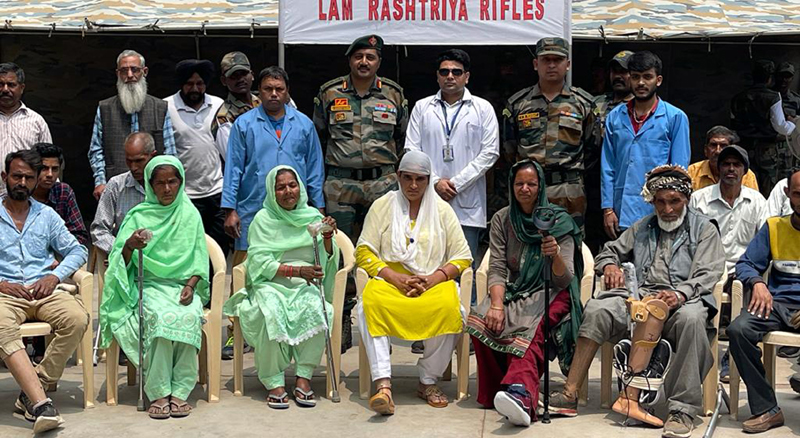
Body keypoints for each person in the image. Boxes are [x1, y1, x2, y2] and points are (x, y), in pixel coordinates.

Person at [549, 165, 725, 438]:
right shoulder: (643, 227)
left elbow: (708, 273)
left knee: (692, 320)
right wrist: (609, 266)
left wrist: (679, 294)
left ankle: (682, 409)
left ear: (686, 200)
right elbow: (609, 251)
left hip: (683, 299)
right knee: (598, 308)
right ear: (653, 202)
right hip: (641, 295)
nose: (667, 209)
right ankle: (570, 393)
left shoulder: (704, 229)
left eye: (674, 201)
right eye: (661, 202)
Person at [466, 160, 582, 427]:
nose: (525, 189)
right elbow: (496, 266)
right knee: (481, 319)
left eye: (531, 183)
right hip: (516, 289)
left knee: (531, 330)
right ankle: (497, 390)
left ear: (540, 186)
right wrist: (496, 304)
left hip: (552, 290)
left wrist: (554, 256)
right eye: (520, 183)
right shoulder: (502, 219)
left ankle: (521, 393)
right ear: (511, 186)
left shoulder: (558, 220)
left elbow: (564, 279)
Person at [355, 151, 472, 415]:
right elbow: (363, 251)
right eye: (407, 178)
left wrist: (433, 279)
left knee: (453, 310)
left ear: (429, 180)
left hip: (431, 281)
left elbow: (463, 256)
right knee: (368, 305)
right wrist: (394, 277)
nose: (413, 185)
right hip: (390, 281)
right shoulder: (383, 205)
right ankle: (383, 384)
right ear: (398, 177)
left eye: (420, 179)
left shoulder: (442, 210)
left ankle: (428, 381)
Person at [314, 34, 408, 353]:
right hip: (341, 184)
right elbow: (320, 135)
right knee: (340, 254)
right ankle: (341, 321)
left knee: (382, 253)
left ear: (378, 61)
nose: (364, 62)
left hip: (383, 184)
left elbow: (402, 137)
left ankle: (379, 322)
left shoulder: (394, 94)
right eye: (358, 56)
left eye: (370, 57)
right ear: (350, 60)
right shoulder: (329, 92)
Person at [98, 156, 209, 419]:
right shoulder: (139, 216)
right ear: (150, 185)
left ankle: (181, 390)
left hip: (182, 287)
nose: (167, 189)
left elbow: (199, 260)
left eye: (172, 182)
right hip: (147, 286)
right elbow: (118, 262)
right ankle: (159, 391)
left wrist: (192, 286)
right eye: (160, 183)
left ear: (181, 182)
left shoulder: (190, 213)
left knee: (189, 316)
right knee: (160, 319)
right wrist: (129, 245)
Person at [224, 166, 339, 409]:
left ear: (300, 187)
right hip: (270, 284)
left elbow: (325, 261)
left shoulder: (313, 218)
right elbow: (258, 263)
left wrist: (327, 238)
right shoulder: (263, 220)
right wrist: (296, 270)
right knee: (271, 312)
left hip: (305, 285)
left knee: (319, 308)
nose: (288, 191)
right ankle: (273, 380)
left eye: (292, 185)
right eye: (281, 187)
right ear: (271, 191)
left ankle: (303, 377)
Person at [0, 150, 89, 433]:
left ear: (37, 179)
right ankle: (41, 404)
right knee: (1, 325)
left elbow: (78, 249)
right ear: (5, 177)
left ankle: (31, 388)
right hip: (6, 293)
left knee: (77, 318)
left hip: (43, 290)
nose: (22, 182)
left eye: (28, 177)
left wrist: (55, 275)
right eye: (17, 176)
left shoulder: (46, 215)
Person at [404, 48, 499, 305]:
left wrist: (455, 183)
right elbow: (412, 150)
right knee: (426, 263)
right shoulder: (422, 107)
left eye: (456, 72)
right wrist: (435, 181)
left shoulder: (483, 108)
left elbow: (490, 153)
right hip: (429, 198)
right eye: (444, 71)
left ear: (466, 77)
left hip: (466, 201)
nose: (450, 76)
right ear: (437, 76)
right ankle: (427, 329)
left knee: (464, 266)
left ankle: (468, 331)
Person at [223, 66, 325, 267]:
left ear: (287, 91)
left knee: (291, 260)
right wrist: (229, 210)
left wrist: (319, 207)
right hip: (253, 205)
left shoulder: (304, 124)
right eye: (268, 89)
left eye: (279, 89)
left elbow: (314, 169)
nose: (274, 94)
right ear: (259, 92)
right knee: (244, 266)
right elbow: (233, 169)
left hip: (293, 209)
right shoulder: (243, 124)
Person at [727, 168, 800, 434]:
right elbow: (746, 263)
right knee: (738, 330)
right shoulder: (774, 227)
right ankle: (767, 408)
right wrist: (757, 283)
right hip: (776, 305)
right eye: (798, 194)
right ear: (788, 195)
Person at [689, 145, 768, 381]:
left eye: (736, 165)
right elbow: (690, 239)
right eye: (726, 164)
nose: (731, 169)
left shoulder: (756, 201)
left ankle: (730, 360)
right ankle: (699, 360)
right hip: (706, 267)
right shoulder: (699, 199)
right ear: (718, 167)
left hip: (742, 269)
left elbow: (765, 241)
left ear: (744, 171)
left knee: (750, 293)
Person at [503, 37, 595, 231]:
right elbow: (509, 149)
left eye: (557, 60)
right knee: (528, 245)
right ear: (536, 64)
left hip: (569, 189)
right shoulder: (518, 104)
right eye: (546, 60)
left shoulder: (583, 103)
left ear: (567, 64)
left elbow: (592, 147)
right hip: (529, 188)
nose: (552, 65)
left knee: (570, 246)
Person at [601, 51, 691, 239]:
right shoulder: (615, 117)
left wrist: (673, 208)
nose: (641, 83)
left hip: (659, 210)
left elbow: (679, 171)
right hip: (621, 209)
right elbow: (608, 166)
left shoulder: (675, 117)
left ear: (658, 80)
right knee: (624, 265)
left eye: (647, 77)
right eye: (635, 77)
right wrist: (608, 209)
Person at [88, 49, 176, 201]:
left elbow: (170, 153)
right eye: (124, 71)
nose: (129, 75)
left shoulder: (160, 108)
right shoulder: (105, 108)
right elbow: (96, 150)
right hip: (116, 188)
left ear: (144, 71)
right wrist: (100, 181)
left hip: (155, 189)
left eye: (134, 69)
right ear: (118, 74)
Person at [164, 59, 227, 253]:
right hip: (186, 195)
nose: (195, 88)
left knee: (219, 249)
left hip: (217, 191)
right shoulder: (166, 106)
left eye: (199, 83)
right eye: (189, 83)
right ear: (181, 84)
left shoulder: (218, 104)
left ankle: (215, 284)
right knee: (190, 249)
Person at [731, 59, 796, 196]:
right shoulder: (772, 97)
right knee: (768, 187)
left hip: (745, 147)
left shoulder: (738, 98)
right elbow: (780, 126)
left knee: (745, 183)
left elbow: (734, 125)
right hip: (767, 149)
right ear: (770, 78)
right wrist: (792, 125)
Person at [90, 132, 155, 258]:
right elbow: (99, 230)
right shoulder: (116, 185)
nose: (133, 167)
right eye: (129, 161)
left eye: (139, 161)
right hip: (124, 259)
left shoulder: (165, 187)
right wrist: (122, 249)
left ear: (152, 156)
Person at [0, 63, 52, 197]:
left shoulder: (36, 121)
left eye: (11, 85)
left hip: (27, 198)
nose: (5, 89)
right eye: (1, 84)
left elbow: (49, 161)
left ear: (21, 88)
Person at [32, 143, 90, 247]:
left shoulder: (63, 192)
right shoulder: (21, 193)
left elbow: (79, 234)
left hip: (59, 254)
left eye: (54, 169)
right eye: (44, 168)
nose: (50, 174)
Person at [212, 52, 261, 162]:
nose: (240, 79)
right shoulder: (224, 118)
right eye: (234, 76)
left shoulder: (264, 102)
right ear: (224, 81)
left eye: (244, 73)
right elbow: (234, 160)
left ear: (252, 75)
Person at [688, 126, 759, 191]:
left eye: (723, 145)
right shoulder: (692, 172)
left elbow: (752, 202)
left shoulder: (745, 174)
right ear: (706, 150)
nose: (718, 151)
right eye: (713, 145)